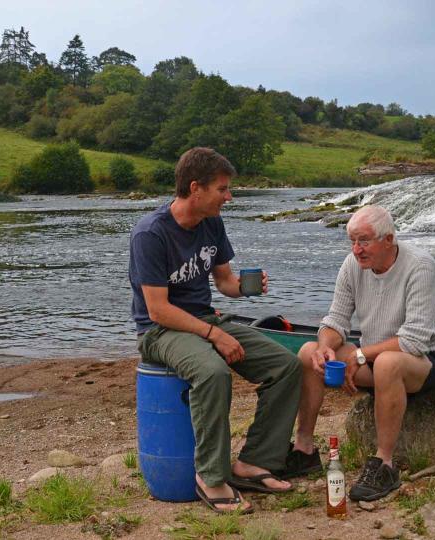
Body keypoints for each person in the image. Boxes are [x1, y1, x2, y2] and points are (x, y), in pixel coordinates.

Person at [129, 147, 301, 514]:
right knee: (212, 372)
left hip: (206, 319)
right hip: (159, 331)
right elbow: (158, 310)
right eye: (222, 189)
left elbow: (224, 282)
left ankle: (254, 462)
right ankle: (211, 476)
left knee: (286, 366)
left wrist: (245, 288)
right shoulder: (151, 234)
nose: (229, 196)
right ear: (196, 188)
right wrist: (215, 336)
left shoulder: (212, 224)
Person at [286, 205, 435, 501]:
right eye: (352, 241)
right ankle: (304, 450)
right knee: (308, 352)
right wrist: (325, 346)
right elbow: (336, 320)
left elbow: (415, 341)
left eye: (364, 241)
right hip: (374, 358)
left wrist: (359, 355)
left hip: (427, 360)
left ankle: (384, 464)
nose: (357, 249)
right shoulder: (352, 265)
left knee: (388, 363)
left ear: (389, 239)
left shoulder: (420, 266)